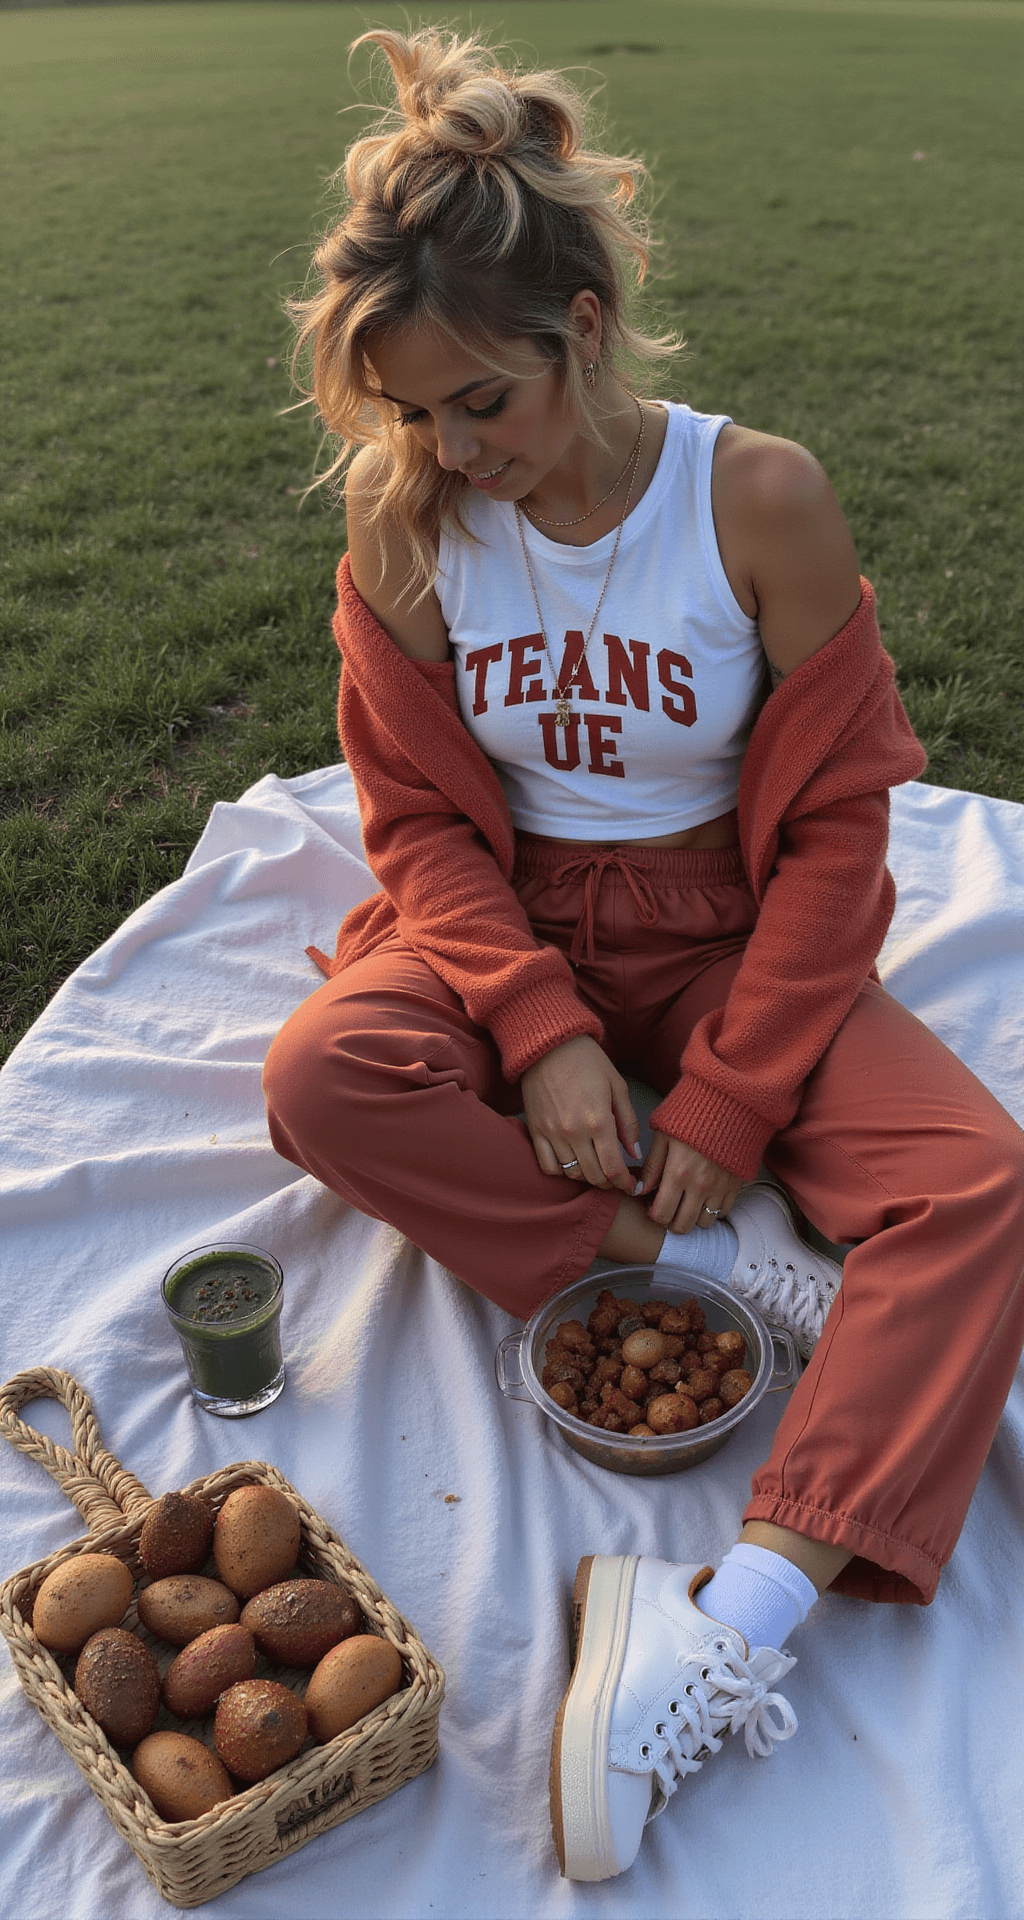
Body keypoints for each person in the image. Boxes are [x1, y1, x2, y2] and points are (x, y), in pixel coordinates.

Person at [263, 26, 1024, 1884]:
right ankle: (696, 1275)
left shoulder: (756, 499)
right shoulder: (410, 526)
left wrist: (746, 1086)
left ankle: (728, 1624)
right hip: (512, 924)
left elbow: (846, 824)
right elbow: (424, 821)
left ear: (580, 332)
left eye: (481, 406)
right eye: (417, 414)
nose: (454, 451)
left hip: (732, 937)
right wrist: (532, 1028)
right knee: (318, 1075)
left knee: (980, 1185)